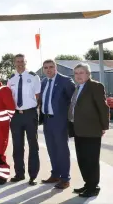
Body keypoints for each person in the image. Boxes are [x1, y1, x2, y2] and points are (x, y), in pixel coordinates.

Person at [68, 63, 110, 197]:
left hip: (92, 130)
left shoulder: (95, 86)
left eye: (81, 72)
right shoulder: (78, 87)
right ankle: (88, 184)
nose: (78, 75)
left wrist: (104, 126)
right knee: (82, 160)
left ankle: (93, 187)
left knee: (91, 160)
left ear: (88, 74)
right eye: (76, 73)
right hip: (78, 130)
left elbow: (103, 108)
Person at [39, 59, 75, 189]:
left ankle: (65, 178)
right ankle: (55, 174)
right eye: (45, 68)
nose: (48, 70)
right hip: (47, 120)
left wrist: (71, 119)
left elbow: (74, 101)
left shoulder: (65, 81)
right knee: (52, 149)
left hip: (60, 120)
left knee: (62, 149)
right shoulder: (43, 82)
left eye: (51, 67)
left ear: (56, 67)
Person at [7, 53, 41, 185]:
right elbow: (9, 97)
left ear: (26, 62)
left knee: (33, 145)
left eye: (22, 61)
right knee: (17, 146)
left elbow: (38, 96)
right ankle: (19, 174)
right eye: (17, 61)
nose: (20, 63)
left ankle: (33, 175)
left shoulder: (33, 77)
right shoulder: (11, 79)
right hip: (16, 116)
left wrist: (32, 110)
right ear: (14, 63)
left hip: (30, 114)